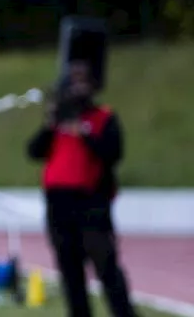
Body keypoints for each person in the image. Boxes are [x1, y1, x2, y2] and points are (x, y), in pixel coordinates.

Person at [26, 60, 137, 317]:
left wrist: (84, 133)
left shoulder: (103, 118)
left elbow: (113, 153)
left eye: (82, 81)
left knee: (106, 267)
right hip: (59, 206)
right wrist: (50, 124)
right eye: (72, 81)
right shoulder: (57, 122)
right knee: (70, 272)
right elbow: (34, 151)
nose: (77, 88)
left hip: (91, 204)